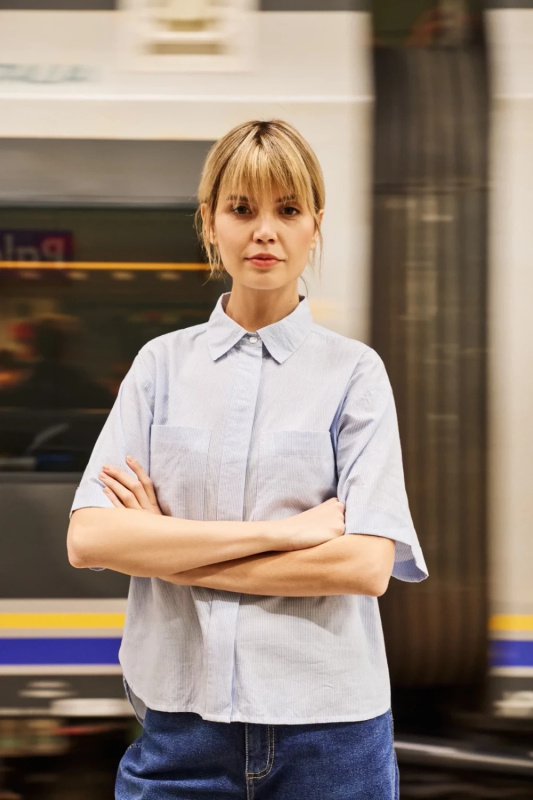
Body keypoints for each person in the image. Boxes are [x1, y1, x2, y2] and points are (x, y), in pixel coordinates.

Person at [67, 119, 428, 799]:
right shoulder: (159, 368)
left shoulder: (354, 374)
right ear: (209, 223)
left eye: (287, 210)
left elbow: (363, 565)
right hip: (180, 729)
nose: (264, 231)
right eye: (241, 209)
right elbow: (89, 539)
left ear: (314, 225)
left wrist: (162, 545)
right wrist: (286, 534)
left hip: (330, 734)